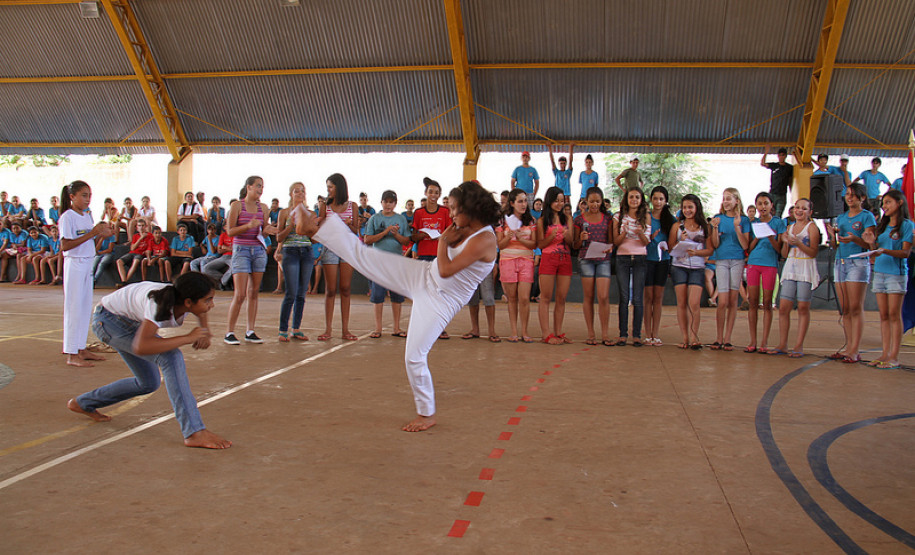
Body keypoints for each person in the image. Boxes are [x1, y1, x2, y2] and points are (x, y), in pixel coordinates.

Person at [296, 180, 500, 432]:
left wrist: (444, 241)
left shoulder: (485, 240)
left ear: (472, 209)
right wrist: (448, 239)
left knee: (414, 356)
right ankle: (317, 228)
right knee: (367, 258)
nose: (453, 214)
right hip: (425, 274)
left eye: (457, 209)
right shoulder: (466, 226)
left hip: (440, 299)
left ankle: (427, 414)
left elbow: (447, 270)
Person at [67, 272, 231, 449]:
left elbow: (201, 310)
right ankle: (194, 432)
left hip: (129, 321)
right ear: (188, 302)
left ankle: (83, 403)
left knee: (148, 383)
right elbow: (141, 346)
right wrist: (187, 338)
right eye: (208, 300)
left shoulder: (181, 298)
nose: (211, 305)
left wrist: (204, 330)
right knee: (171, 356)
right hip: (109, 321)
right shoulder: (158, 305)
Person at [58, 180, 115, 367]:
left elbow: (90, 244)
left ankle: (81, 347)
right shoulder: (68, 217)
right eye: (83, 195)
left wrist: (102, 235)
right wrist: (93, 233)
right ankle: (71, 354)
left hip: (87, 261)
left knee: (83, 308)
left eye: (89, 195)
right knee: (73, 308)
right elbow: (65, 245)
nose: (87, 199)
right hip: (74, 264)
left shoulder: (87, 216)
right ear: (72, 197)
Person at [825, 183, 876, 364]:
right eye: (847, 194)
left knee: (855, 307)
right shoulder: (841, 217)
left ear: (862, 198)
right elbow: (835, 245)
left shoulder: (867, 216)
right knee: (845, 308)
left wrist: (855, 238)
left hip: (858, 262)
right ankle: (848, 346)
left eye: (853, 195)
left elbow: (870, 245)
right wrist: (832, 237)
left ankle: (855, 349)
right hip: (841, 261)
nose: (849, 198)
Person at [862, 190, 912, 369]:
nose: (885, 207)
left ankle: (894, 356)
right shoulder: (882, 225)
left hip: (896, 274)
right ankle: (884, 353)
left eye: (888, 202)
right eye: (883, 203)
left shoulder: (906, 225)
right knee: (883, 315)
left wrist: (886, 251)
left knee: (893, 314)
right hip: (880, 272)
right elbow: (876, 250)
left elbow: (905, 253)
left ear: (899, 203)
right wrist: (870, 243)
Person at [224, 176, 277, 345]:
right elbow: (230, 231)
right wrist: (248, 226)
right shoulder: (237, 206)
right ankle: (229, 332)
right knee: (240, 294)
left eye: (262, 186)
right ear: (248, 187)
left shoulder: (264, 208)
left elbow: (263, 230)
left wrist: (269, 230)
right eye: (258, 186)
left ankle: (250, 330)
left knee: (253, 292)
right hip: (241, 250)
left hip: (259, 251)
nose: (261, 189)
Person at [771, 199, 820, 358]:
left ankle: (798, 345)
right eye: (797, 207)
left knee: (803, 308)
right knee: (784, 307)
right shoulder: (789, 228)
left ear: (810, 212)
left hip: (805, 268)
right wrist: (786, 242)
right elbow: (784, 255)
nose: (800, 211)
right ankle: (783, 343)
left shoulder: (812, 228)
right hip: (791, 268)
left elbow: (813, 252)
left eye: (804, 208)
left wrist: (798, 243)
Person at [315, 173, 360, 342]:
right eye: (327, 187)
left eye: (330, 187)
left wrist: (349, 225)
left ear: (339, 187)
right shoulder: (324, 206)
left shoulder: (353, 206)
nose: (328, 190)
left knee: (346, 288)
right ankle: (327, 329)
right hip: (330, 248)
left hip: (347, 248)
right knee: (330, 289)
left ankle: (345, 330)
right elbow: (320, 229)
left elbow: (356, 231)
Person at [363, 190, 410, 339]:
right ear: (381, 202)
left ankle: (396, 328)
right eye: (386, 201)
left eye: (391, 202)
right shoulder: (374, 219)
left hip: (396, 262)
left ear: (395, 204)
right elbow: (367, 240)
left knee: (397, 296)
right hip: (379, 263)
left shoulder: (401, 219)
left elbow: (407, 241)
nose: (388, 204)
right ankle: (378, 328)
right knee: (378, 296)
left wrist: (396, 234)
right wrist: (386, 232)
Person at [410, 177, 453, 339]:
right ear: (425, 193)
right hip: (424, 256)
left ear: (440, 194)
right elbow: (413, 236)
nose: (433, 195)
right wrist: (421, 235)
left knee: (439, 292)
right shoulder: (419, 212)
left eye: (436, 192)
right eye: (430, 192)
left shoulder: (444, 212)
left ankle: (439, 327)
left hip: (440, 256)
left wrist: (441, 236)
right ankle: (420, 326)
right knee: (423, 292)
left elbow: (450, 231)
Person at [669, 195, 713, 350]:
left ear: (697, 208)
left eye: (690, 207)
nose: (687, 210)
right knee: (681, 303)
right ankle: (685, 338)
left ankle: (694, 337)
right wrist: (681, 243)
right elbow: (670, 247)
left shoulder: (705, 227)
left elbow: (710, 249)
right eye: (685, 207)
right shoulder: (677, 226)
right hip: (679, 267)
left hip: (697, 267)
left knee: (693, 303)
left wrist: (697, 254)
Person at [709, 188, 750, 351]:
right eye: (724, 199)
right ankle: (718, 337)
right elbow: (715, 244)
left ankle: (727, 338)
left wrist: (737, 227)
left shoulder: (744, 220)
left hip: (737, 260)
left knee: (733, 300)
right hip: (721, 260)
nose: (725, 202)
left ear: (736, 201)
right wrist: (715, 229)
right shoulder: (717, 219)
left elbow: (745, 245)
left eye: (729, 199)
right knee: (723, 301)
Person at [745, 192, 785, 354]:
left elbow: (780, 250)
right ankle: (753, 340)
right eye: (760, 204)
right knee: (753, 301)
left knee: (767, 303)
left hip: (769, 264)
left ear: (771, 206)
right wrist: (757, 237)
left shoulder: (778, 223)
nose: (763, 207)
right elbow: (748, 248)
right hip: (754, 263)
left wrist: (769, 236)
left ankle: (764, 341)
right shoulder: (752, 223)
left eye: (766, 203)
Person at [573, 186, 613, 346]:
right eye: (591, 201)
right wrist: (580, 238)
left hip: (603, 259)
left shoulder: (608, 218)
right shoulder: (579, 219)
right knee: (588, 296)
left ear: (602, 201)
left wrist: (610, 247)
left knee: (603, 296)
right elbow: (575, 245)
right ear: (586, 202)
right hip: (586, 259)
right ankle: (591, 333)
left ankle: (605, 333)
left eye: (597, 201)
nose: (594, 204)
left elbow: (612, 240)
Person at [276, 182, 315, 342]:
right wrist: (291, 225)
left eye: (302, 191)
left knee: (301, 294)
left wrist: (308, 227)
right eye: (296, 191)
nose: (300, 193)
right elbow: (279, 237)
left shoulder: (310, 213)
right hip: (290, 252)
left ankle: (296, 328)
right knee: (291, 293)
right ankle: (283, 330)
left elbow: (312, 237)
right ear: (290, 194)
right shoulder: (284, 213)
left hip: (306, 252)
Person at [497, 189, 537, 343]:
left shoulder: (531, 220)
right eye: (520, 201)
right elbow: (500, 245)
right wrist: (508, 236)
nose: (523, 204)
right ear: (512, 203)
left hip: (526, 261)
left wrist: (521, 238)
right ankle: (514, 331)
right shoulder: (502, 221)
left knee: (525, 298)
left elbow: (534, 244)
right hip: (507, 260)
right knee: (512, 298)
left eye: (525, 201)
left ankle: (525, 331)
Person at [613, 186, 651, 346]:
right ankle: (623, 334)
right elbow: (616, 241)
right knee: (624, 297)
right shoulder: (618, 216)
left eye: (637, 197)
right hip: (622, 257)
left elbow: (646, 242)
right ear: (626, 199)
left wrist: (639, 231)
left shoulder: (646, 217)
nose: (634, 200)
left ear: (641, 200)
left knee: (637, 298)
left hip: (640, 258)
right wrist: (624, 232)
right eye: (631, 197)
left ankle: (636, 335)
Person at [536, 186, 574, 344]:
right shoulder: (542, 221)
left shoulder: (568, 218)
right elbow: (540, 244)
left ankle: (558, 332)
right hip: (548, 259)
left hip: (565, 259)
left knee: (562, 298)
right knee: (545, 298)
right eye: (556, 200)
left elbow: (572, 243)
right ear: (549, 201)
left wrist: (568, 236)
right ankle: (546, 334)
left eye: (562, 200)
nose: (559, 204)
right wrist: (551, 237)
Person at [644, 186, 676, 346]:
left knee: (658, 297)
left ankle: (655, 333)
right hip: (647, 260)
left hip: (663, 261)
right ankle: (647, 332)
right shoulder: (646, 217)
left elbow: (674, 243)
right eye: (655, 198)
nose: (658, 202)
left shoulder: (671, 220)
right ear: (651, 199)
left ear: (666, 201)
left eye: (661, 199)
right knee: (647, 297)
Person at [760, 145, 794, 218]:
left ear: (786, 156)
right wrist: (766, 152)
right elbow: (763, 164)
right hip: (772, 193)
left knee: (778, 215)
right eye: (780, 155)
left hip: (782, 195)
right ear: (778, 156)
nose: (781, 157)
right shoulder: (774, 165)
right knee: (768, 214)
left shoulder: (789, 168)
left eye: (783, 155)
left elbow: (790, 181)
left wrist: (792, 194)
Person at [116, 218, 151, 285]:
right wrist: (140, 238)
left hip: (140, 254)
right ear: (137, 228)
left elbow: (149, 248)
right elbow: (132, 248)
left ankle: (125, 282)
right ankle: (124, 280)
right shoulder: (135, 236)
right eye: (139, 226)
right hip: (132, 253)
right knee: (119, 261)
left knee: (136, 261)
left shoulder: (149, 236)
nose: (141, 227)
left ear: (145, 227)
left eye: (143, 225)